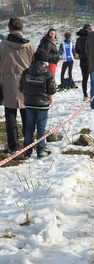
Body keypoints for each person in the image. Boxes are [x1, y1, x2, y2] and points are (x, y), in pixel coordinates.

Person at [0, 18, 35, 154]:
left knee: (10, 116)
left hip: (8, 83)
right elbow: (35, 66)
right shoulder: (30, 46)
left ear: (9, 29)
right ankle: (28, 145)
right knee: (27, 115)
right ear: (22, 29)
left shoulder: (2, 46)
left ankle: (13, 146)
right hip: (26, 84)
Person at [19, 49, 57, 159]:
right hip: (42, 105)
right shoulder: (48, 74)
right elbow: (52, 91)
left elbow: (21, 88)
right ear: (45, 61)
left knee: (29, 127)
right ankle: (40, 150)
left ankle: (27, 151)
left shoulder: (25, 72)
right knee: (41, 127)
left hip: (29, 103)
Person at [38, 28, 59, 104]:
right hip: (50, 64)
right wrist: (56, 56)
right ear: (48, 34)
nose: (53, 35)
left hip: (52, 63)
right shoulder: (48, 43)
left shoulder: (50, 42)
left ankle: (49, 98)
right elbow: (46, 55)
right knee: (50, 81)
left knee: (49, 81)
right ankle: (49, 99)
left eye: (54, 34)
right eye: (51, 33)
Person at [75, 24, 92, 102]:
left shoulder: (78, 39)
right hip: (90, 60)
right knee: (93, 78)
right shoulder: (91, 37)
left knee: (84, 79)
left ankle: (85, 95)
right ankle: (93, 94)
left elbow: (76, 50)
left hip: (82, 60)